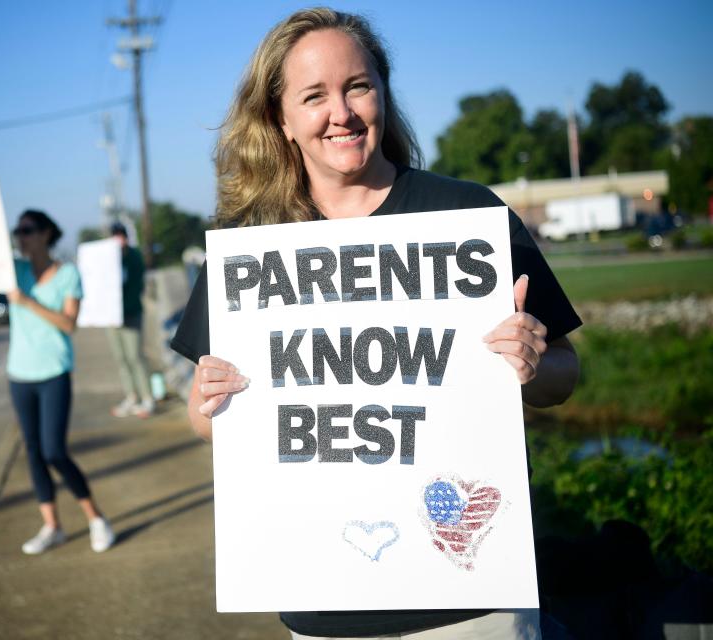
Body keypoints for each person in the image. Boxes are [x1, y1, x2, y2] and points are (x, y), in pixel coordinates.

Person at [170, 8, 581, 639]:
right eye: (314, 96)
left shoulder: (469, 215)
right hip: (321, 603)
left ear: (383, 92)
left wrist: (531, 364)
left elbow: (564, 375)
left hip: (473, 604)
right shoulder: (251, 248)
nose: (342, 112)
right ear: (281, 118)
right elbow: (203, 418)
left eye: (358, 86)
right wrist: (211, 400)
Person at [6, 208, 116, 555]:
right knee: (34, 452)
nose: (20, 237)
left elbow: (69, 323)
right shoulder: (15, 271)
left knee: (54, 450)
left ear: (44, 234)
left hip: (53, 372)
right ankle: (52, 526)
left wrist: (27, 302)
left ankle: (97, 518)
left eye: (26, 230)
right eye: (17, 231)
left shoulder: (67, 274)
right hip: (19, 373)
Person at [107, 221, 156, 418]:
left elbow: (136, 285)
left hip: (131, 314)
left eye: (120, 235)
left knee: (136, 357)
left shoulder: (134, 257)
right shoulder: (107, 258)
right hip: (111, 317)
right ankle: (131, 396)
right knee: (121, 358)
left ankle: (147, 397)